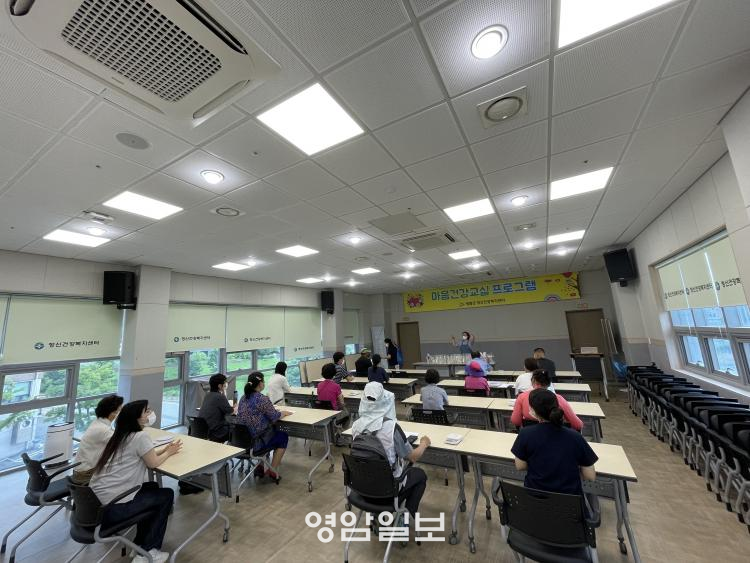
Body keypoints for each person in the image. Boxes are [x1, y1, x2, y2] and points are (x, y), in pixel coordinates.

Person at [89, 401, 182, 563]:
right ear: (137, 418)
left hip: (95, 503)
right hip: (113, 508)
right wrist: (169, 453)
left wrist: (165, 450)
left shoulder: (120, 435)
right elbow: (152, 463)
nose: (150, 414)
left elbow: (142, 453)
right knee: (166, 494)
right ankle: (149, 551)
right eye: (146, 412)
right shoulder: (140, 436)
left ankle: (140, 545)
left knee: (152, 487)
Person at [352, 382, 430, 518]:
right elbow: (413, 457)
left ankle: (380, 517)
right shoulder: (391, 427)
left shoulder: (356, 426)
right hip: (389, 491)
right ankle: (406, 517)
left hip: (363, 488)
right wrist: (424, 443)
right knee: (420, 475)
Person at [511, 389, 598, 496]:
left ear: (533, 411)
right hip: (569, 502)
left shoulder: (525, 434)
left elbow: (520, 466)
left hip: (534, 500)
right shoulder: (575, 437)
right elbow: (590, 476)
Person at [236, 372, 293, 481]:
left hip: (242, 441)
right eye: (263, 381)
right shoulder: (262, 398)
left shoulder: (243, 398)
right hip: (256, 442)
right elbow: (274, 416)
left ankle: (260, 466)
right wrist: (283, 413)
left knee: (266, 432)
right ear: (260, 383)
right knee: (282, 436)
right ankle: (272, 470)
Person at [72, 394, 124, 484]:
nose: (121, 413)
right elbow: (125, 443)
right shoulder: (103, 429)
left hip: (81, 472)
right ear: (113, 413)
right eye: (120, 410)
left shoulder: (97, 423)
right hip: (85, 476)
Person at [511, 370, 582, 431]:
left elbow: (516, 421)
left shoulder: (522, 397)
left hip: (530, 436)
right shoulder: (558, 398)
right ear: (549, 384)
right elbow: (578, 425)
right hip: (554, 437)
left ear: (532, 382)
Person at [197, 374, 233, 442]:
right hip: (215, 432)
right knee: (234, 428)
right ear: (219, 386)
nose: (226, 384)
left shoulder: (207, 395)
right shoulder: (220, 397)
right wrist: (235, 408)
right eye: (225, 382)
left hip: (203, 430)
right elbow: (230, 411)